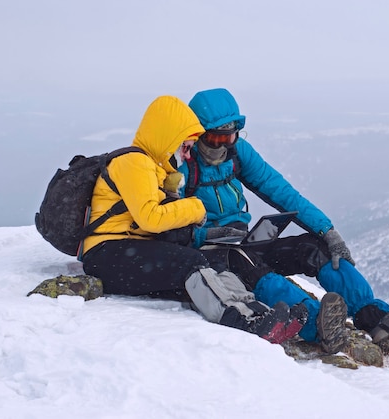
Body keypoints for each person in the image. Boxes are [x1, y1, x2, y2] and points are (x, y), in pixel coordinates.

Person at [178, 88, 389, 351]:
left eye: (228, 137)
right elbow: (166, 224)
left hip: (242, 240)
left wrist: (326, 230)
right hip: (210, 254)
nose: (222, 145)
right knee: (255, 269)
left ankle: (375, 317)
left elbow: (280, 191)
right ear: (197, 134)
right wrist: (204, 236)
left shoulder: (238, 153)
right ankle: (315, 324)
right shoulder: (182, 163)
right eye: (215, 138)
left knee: (314, 249)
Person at [80, 95, 307, 344]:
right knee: (191, 262)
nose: (188, 155)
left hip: (128, 253)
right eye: (185, 147)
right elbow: (150, 219)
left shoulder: (154, 168)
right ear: (169, 139)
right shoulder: (134, 162)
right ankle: (238, 320)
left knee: (212, 264)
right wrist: (195, 207)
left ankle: (255, 311)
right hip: (106, 253)